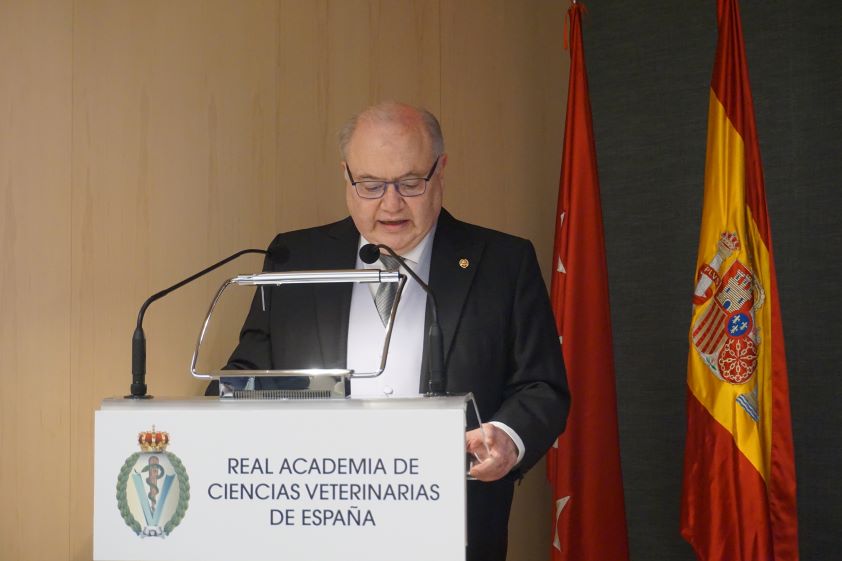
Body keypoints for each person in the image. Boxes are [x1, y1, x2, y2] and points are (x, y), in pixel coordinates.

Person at [217, 101, 569, 560]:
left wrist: (506, 436)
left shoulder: (503, 262)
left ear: (440, 171)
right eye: (370, 185)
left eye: (409, 183)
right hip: (313, 527)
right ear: (346, 176)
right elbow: (247, 375)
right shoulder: (295, 258)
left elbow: (542, 387)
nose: (391, 203)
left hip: (452, 529)